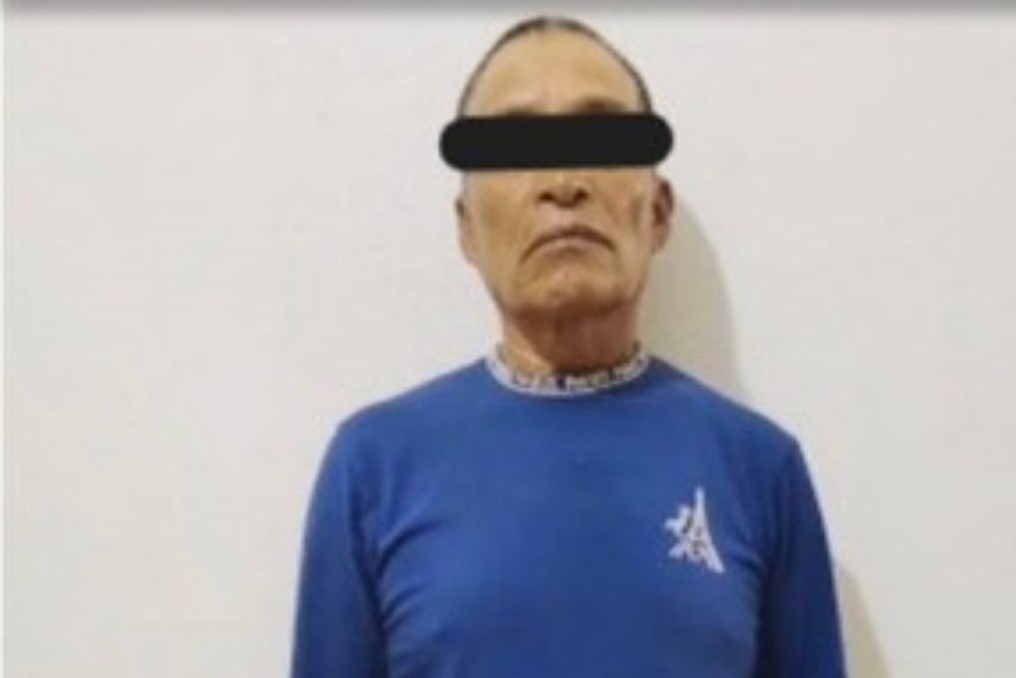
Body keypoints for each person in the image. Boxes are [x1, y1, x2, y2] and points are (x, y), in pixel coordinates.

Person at [290, 15, 846, 678]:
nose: (562, 180)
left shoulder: (760, 469)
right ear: (467, 229)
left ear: (658, 212)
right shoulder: (373, 468)